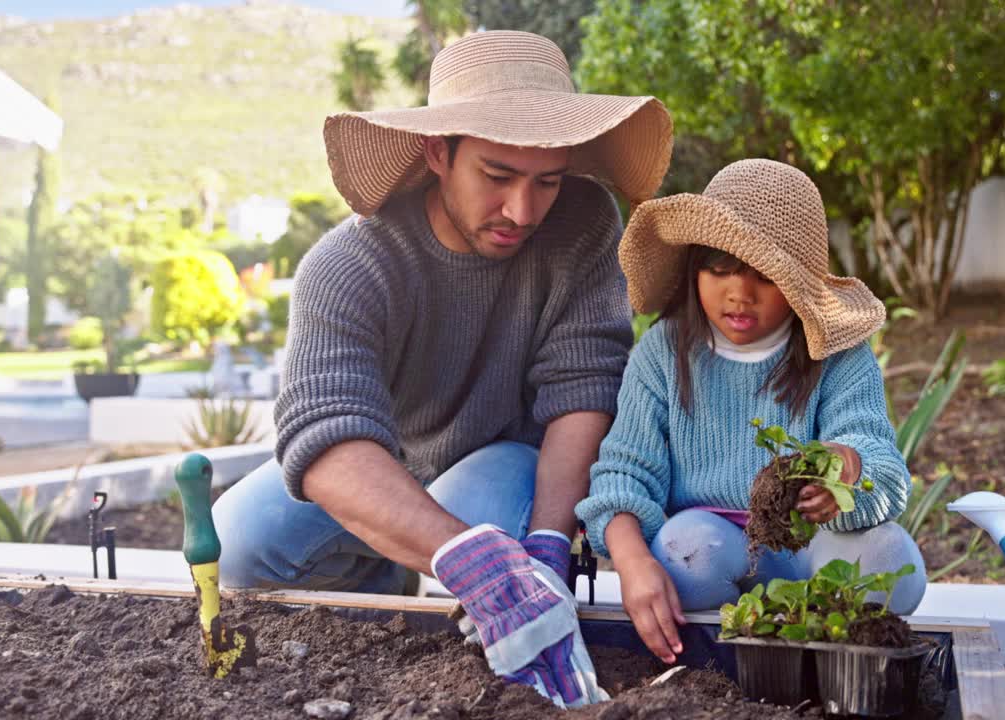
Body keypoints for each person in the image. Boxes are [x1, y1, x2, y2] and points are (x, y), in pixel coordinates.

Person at [210, 30, 672, 707]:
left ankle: (447, 561)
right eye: (497, 176)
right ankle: (390, 587)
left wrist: (547, 541)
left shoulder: (581, 223)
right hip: (384, 460)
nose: (523, 210)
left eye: (546, 180)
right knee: (236, 544)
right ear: (437, 152)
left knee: (469, 516)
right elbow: (327, 444)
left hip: (506, 460)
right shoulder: (348, 265)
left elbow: (586, 388)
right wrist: (464, 558)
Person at [575, 159, 926, 665]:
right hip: (713, 557)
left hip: (815, 551)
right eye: (719, 267)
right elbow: (623, 474)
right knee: (682, 549)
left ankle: (824, 658)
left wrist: (845, 470)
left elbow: (884, 468)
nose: (739, 292)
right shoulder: (663, 352)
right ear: (695, 264)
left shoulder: (838, 356)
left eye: (765, 274)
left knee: (892, 560)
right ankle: (719, 663)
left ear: (800, 283)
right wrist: (631, 564)